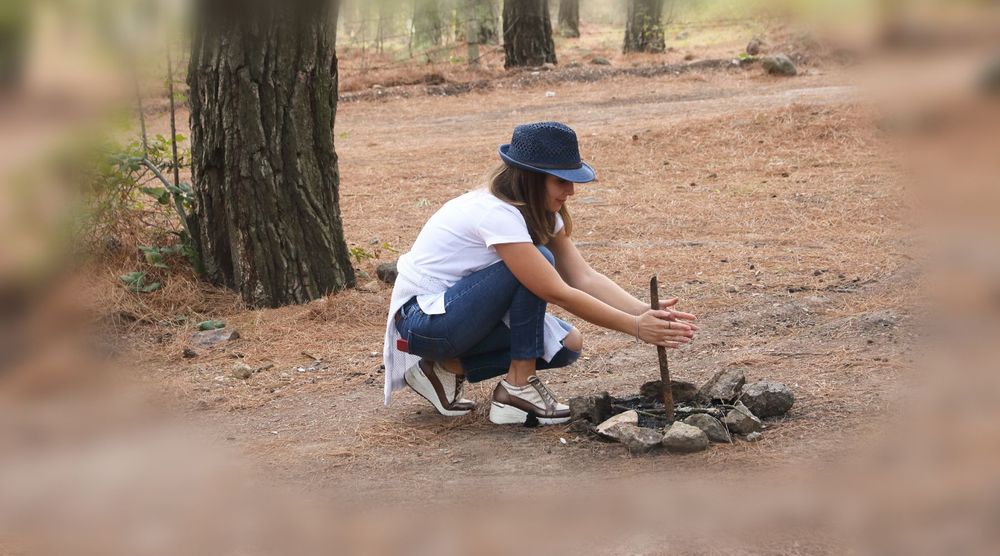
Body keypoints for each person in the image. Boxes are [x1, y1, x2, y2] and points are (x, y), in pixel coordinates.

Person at [382, 122, 698, 425]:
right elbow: (555, 290)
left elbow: (583, 277)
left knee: (567, 344)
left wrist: (642, 310)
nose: (571, 191)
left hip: (459, 315)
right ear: (531, 178)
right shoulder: (495, 213)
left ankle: (444, 369)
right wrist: (636, 327)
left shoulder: (538, 213)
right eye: (561, 181)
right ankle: (517, 388)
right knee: (540, 261)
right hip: (423, 321)